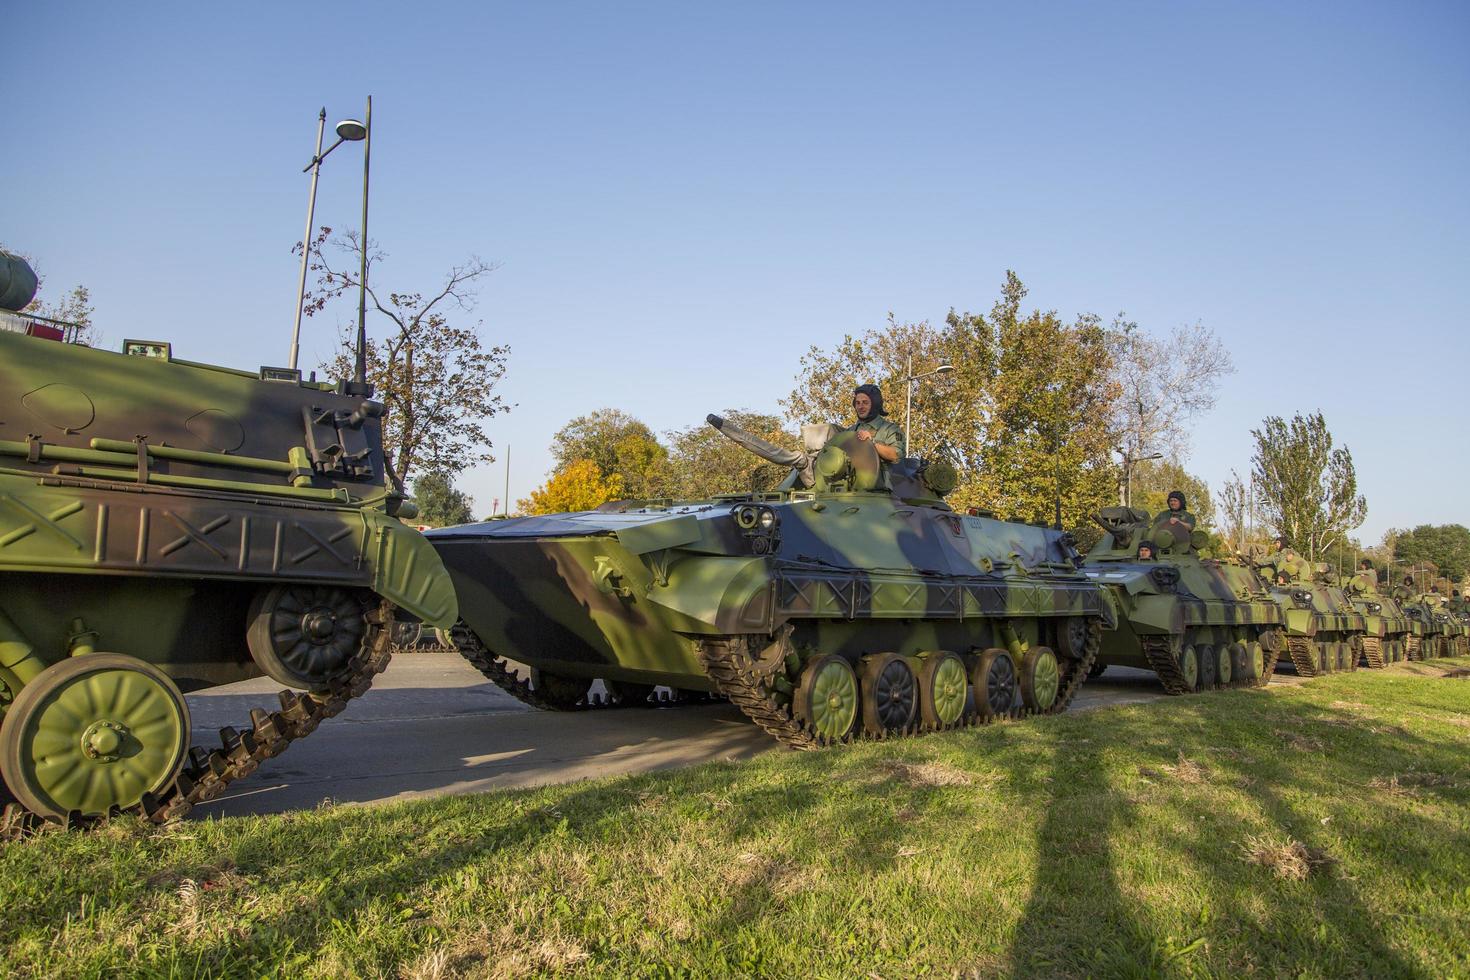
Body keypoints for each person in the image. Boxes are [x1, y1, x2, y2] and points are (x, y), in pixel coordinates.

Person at [847, 383, 907, 473]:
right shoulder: (850, 431)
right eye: (857, 403)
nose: (860, 407)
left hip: (882, 482)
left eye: (865, 402)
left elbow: (897, 455)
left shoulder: (890, 429)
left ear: (875, 404)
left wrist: (871, 444)